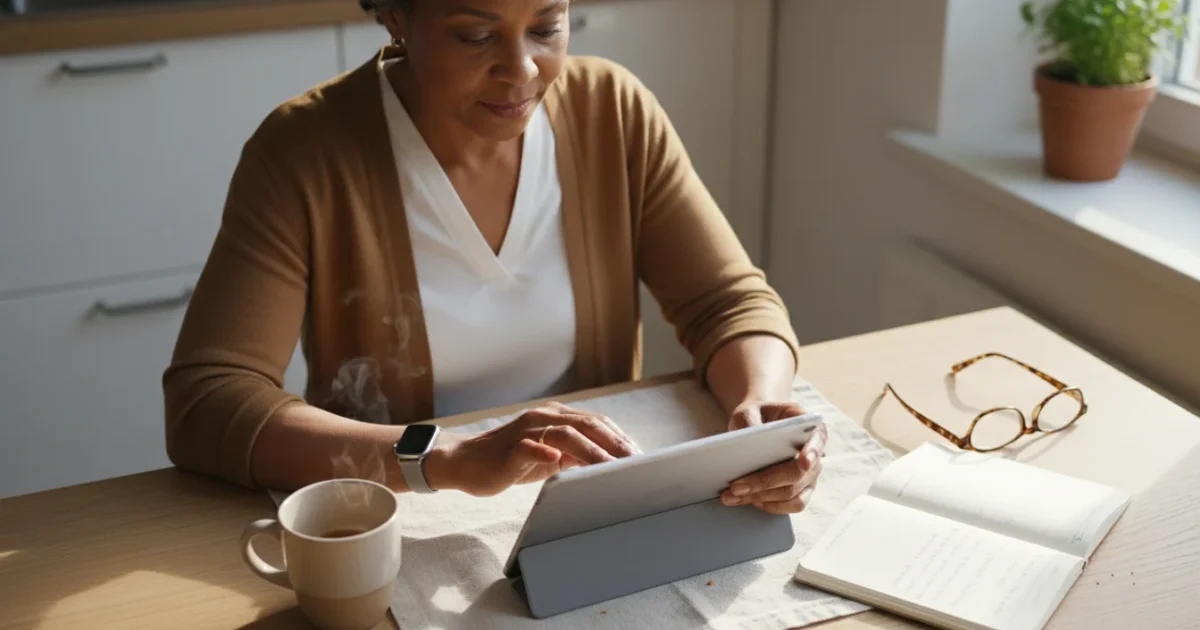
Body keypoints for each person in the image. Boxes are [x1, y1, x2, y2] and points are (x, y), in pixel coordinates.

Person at [163, 0, 826, 514]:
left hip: (585, 513)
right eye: (476, 35)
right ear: (397, 20)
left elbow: (728, 303)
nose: (524, 69)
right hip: (398, 517)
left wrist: (761, 409)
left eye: (548, 25)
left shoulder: (611, 113)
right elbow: (208, 402)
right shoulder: (305, 153)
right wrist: (445, 458)